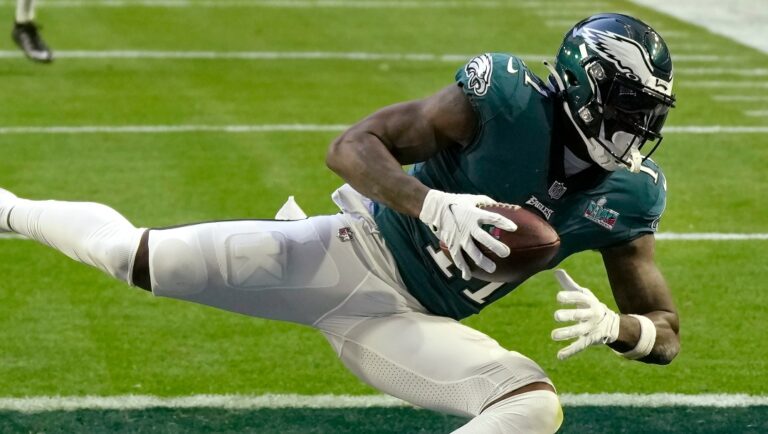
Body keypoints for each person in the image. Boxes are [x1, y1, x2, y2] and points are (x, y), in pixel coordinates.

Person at [0, 13, 680, 433]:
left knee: (531, 405)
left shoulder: (630, 195)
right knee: (131, 256)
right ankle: (10, 210)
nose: (637, 130)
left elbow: (667, 333)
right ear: (583, 84)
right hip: (345, 253)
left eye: (648, 114)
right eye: (627, 106)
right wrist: (431, 205)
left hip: (409, 325)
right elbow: (351, 147)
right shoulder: (502, 101)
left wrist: (620, 328)